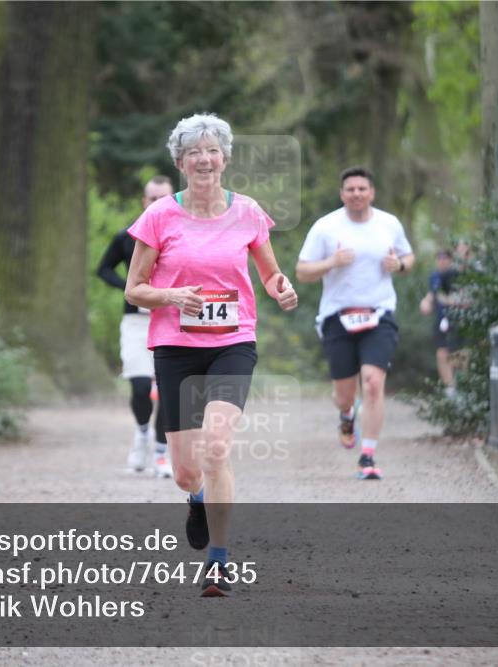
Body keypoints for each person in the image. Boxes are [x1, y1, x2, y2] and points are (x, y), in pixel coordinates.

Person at [125, 113, 298, 596]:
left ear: (225, 159)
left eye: (212, 150)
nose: (204, 159)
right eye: (193, 152)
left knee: (217, 447)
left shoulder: (248, 212)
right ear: (180, 163)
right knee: (185, 471)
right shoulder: (160, 216)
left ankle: (218, 562)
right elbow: (134, 288)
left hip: (232, 343)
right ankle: (197, 498)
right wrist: (171, 296)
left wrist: (281, 289)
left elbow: (270, 274)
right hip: (176, 347)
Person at [295, 167, 414, 480]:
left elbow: (409, 257)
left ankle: (368, 456)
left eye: (362, 189)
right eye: (350, 189)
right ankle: (347, 414)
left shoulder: (389, 223)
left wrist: (399, 265)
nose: (357, 194)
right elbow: (302, 272)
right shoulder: (326, 227)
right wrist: (332, 262)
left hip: (379, 313)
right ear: (342, 194)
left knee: (373, 383)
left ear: (372, 193)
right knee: (344, 395)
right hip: (338, 316)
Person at [96, 176, 175, 477]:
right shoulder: (128, 236)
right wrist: (130, 289)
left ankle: (161, 452)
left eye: (163, 198)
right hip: (136, 321)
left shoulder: (183, 236)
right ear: (144, 201)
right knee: (141, 387)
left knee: (167, 390)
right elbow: (103, 269)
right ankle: (142, 433)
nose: (157, 204)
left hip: (170, 320)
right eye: (152, 199)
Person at [419, 249, 460, 398]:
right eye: (439, 258)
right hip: (441, 320)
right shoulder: (434, 276)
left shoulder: (457, 275)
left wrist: (450, 301)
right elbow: (433, 294)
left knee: (458, 355)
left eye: (445, 258)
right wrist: (426, 302)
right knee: (441, 353)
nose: (442, 261)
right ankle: (450, 388)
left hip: (458, 320)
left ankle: (462, 386)